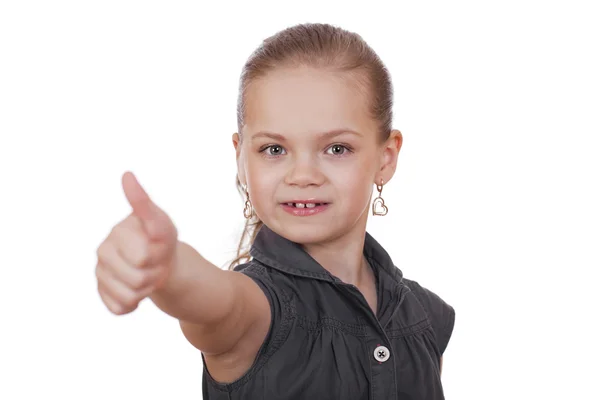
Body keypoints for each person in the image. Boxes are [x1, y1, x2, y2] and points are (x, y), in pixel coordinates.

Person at [95, 22, 455, 399]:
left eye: (336, 149)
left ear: (386, 158)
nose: (303, 175)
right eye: (274, 149)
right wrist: (167, 269)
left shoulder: (425, 316)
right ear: (241, 157)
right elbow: (215, 301)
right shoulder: (256, 310)